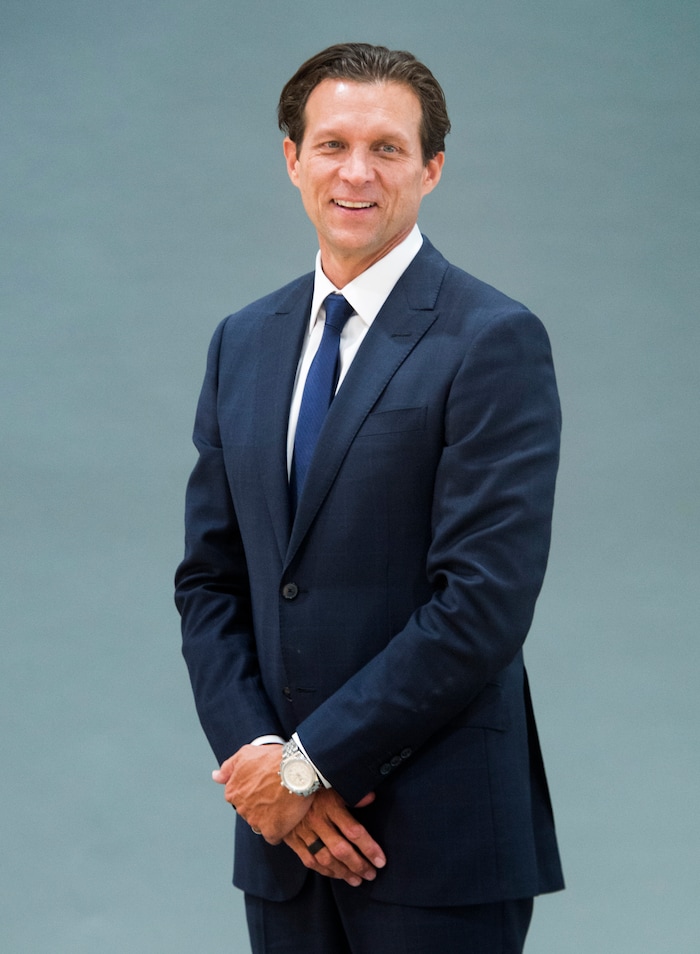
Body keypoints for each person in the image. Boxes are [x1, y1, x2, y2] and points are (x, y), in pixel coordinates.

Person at [175, 42, 564, 954]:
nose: (357, 171)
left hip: (438, 845)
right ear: (291, 158)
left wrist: (311, 767)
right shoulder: (243, 342)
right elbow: (209, 582)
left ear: (431, 168)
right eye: (332, 143)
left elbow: (481, 605)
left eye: (388, 148)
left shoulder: (493, 339)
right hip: (283, 843)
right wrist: (264, 774)